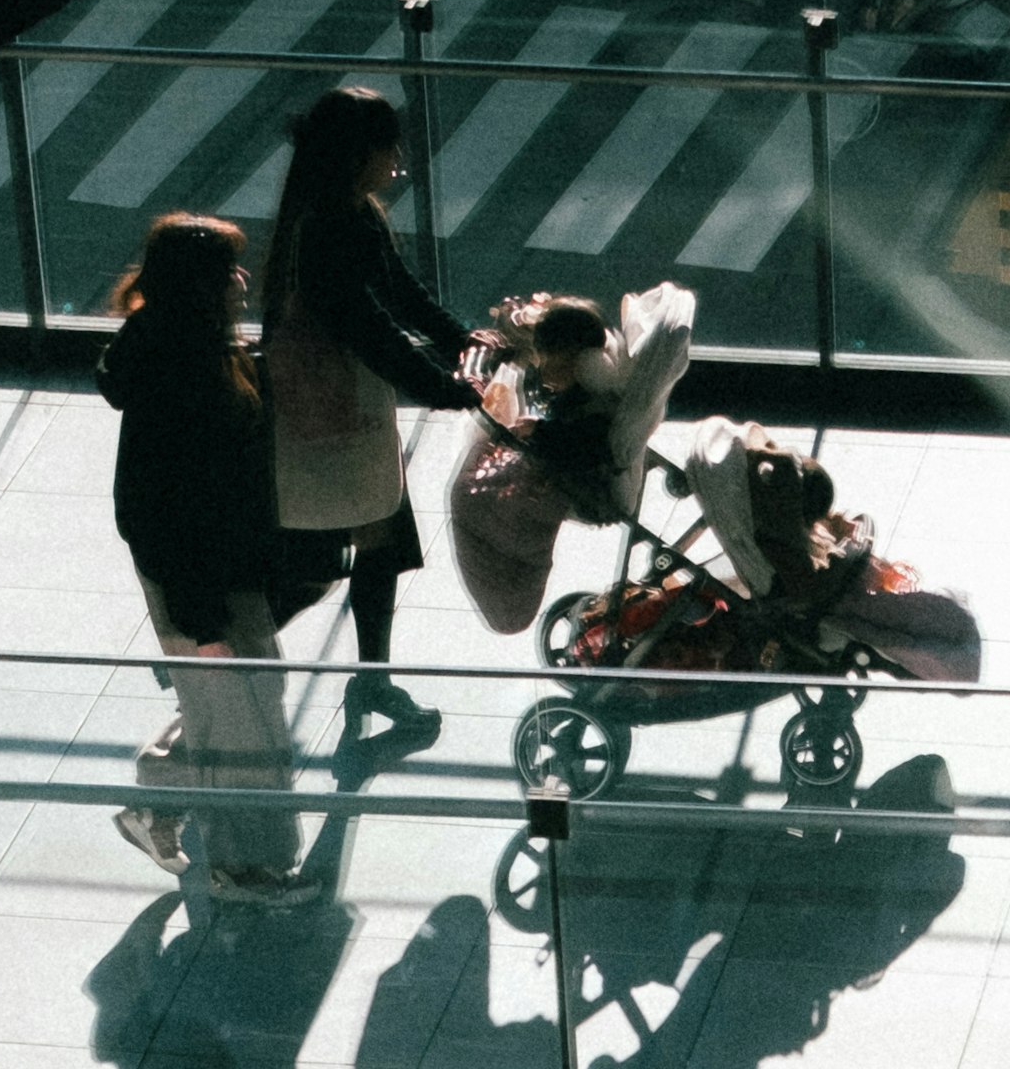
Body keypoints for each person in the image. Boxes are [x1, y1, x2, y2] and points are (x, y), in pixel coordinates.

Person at [259, 81, 485, 743]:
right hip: (326, 420)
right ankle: (213, 650)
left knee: (379, 547)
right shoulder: (329, 225)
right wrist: (437, 382)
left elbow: (396, 291)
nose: (398, 163)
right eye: (390, 149)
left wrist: (457, 339)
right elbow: (367, 325)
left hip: (348, 411)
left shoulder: (350, 210)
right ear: (360, 154)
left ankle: (374, 676)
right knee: (317, 566)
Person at [98, 210, 299, 894]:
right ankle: (243, 866)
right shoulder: (179, 368)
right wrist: (200, 622)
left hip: (220, 566)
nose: (242, 280)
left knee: (243, 702)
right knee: (241, 720)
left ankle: (156, 801)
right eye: (228, 270)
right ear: (198, 286)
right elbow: (161, 508)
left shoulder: (199, 346)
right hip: (201, 578)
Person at [447, 283, 699, 631]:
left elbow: (582, 445)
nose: (544, 369)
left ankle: (510, 611)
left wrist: (538, 433)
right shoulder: (602, 380)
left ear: (567, 353)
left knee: (471, 493)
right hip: (588, 471)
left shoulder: (590, 400)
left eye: (546, 357)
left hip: (588, 487)